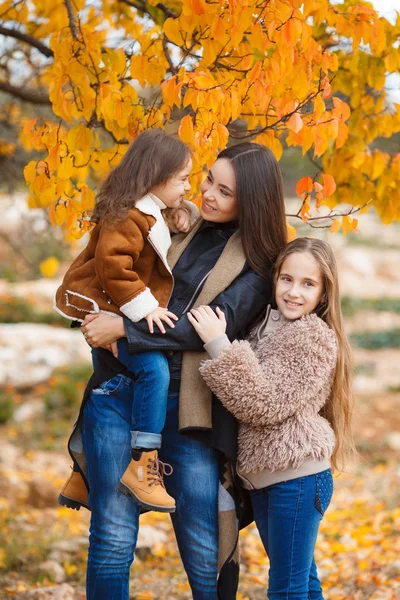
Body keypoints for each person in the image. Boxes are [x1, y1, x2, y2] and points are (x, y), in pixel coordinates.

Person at [59, 141, 288, 600]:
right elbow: (111, 269)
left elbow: (204, 328)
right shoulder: (166, 220)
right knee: (111, 533)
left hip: (189, 409)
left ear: (252, 203)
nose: (207, 195)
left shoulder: (259, 265)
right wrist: (101, 318)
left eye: (225, 192)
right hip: (119, 392)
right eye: (208, 180)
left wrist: (121, 329)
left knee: (202, 535)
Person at [189, 237, 356, 600]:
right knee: (302, 585)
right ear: (275, 279)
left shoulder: (314, 338)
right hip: (266, 480)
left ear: (324, 294)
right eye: (287, 279)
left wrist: (218, 344)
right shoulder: (263, 325)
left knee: (285, 589)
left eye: (308, 284)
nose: (294, 292)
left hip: (297, 479)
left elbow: (263, 403)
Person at [55, 128, 197, 513]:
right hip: (112, 308)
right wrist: (144, 309)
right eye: (183, 179)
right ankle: (143, 462)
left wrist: (176, 215)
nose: (189, 185)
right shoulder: (128, 216)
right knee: (154, 371)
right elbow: (114, 265)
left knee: (105, 377)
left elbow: (152, 241)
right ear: (157, 177)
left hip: (112, 312)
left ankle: (81, 476)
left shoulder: (144, 210)